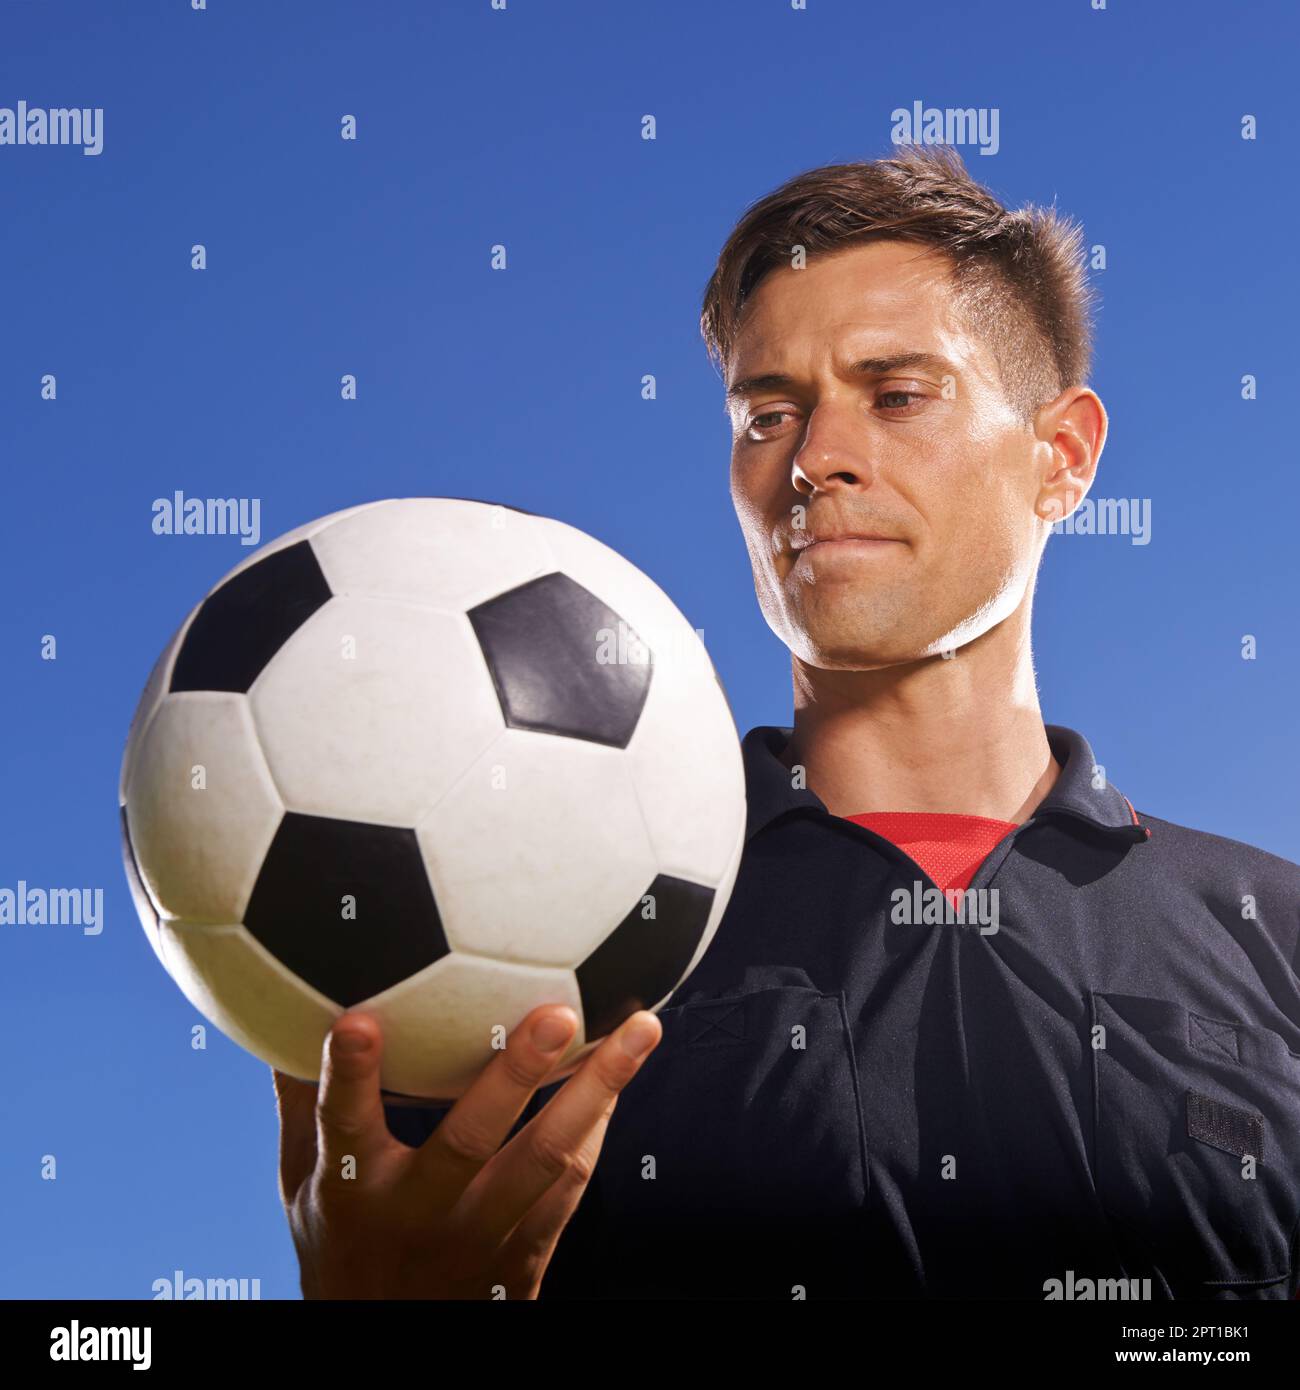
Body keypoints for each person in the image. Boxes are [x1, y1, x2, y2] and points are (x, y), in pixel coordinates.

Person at [272, 145, 1300, 1301]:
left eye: (896, 394)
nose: (813, 463)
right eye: (769, 415)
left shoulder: (1273, 930)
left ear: (1060, 457)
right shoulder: (545, 934)